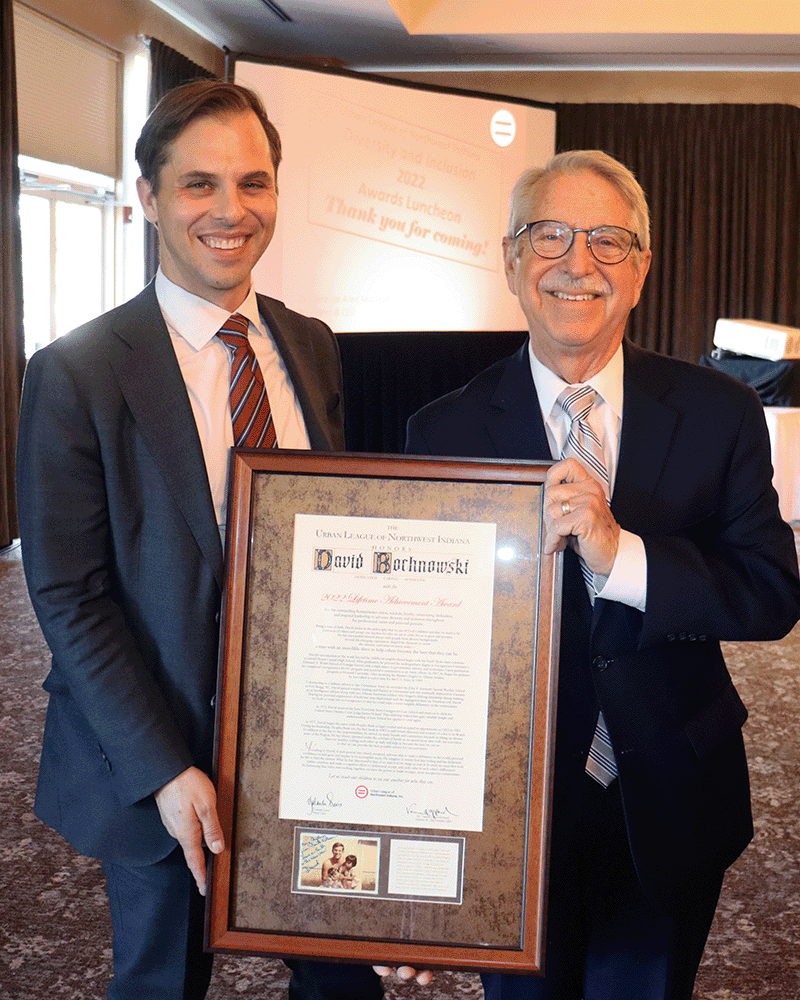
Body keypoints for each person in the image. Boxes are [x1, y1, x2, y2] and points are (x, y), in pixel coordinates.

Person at [17, 79, 382, 1000]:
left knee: (342, 981)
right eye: (199, 184)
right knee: (163, 982)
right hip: (159, 752)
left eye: (253, 183)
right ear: (148, 197)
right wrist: (164, 768)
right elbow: (69, 596)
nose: (231, 210)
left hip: (312, 751)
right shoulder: (77, 373)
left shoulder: (310, 344)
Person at [405, 150, 800, 999]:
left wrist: (623, 556)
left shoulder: (719, 412)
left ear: (642, 268)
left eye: (607, 241)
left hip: (671, 787)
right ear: (511, 258)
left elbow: (770, 594)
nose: (577, 263)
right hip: (508, 815)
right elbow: (419, 642)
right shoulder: (441, 431)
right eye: (549, 235)